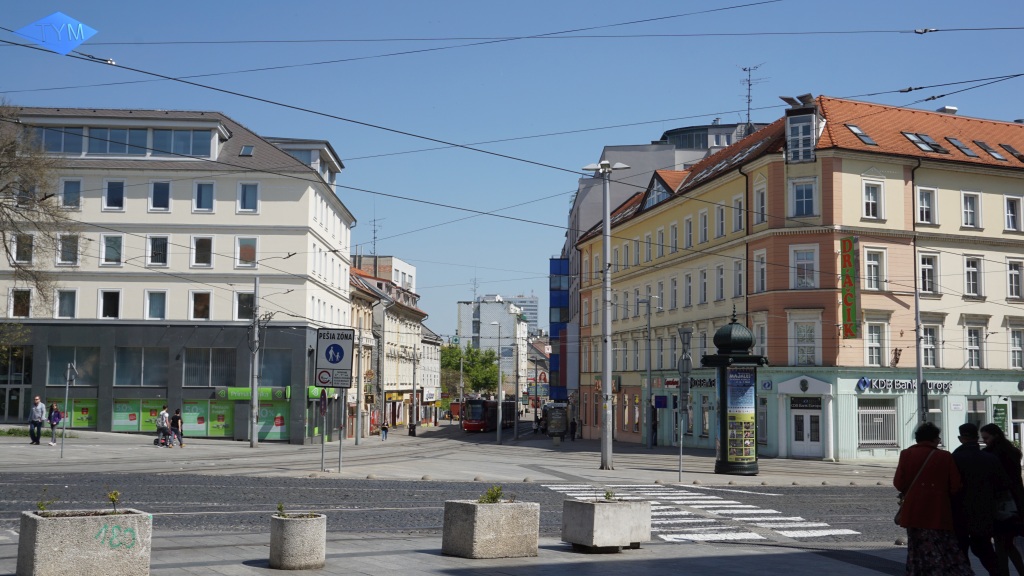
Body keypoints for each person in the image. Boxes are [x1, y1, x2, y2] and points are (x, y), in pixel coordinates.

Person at [893, 421, 972, 575]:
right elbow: (955, 485)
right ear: (934, 439)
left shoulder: (906, 454)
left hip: (913, 511)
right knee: (941, 547)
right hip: (938, 511)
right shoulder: (944, 456)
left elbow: (898, 483)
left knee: (917, 548)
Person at [951, 422, 1005, 574]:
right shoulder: (990, 458)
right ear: (977, 438)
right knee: (984, 548)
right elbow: (1001, 484)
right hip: (984, 511)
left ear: (961, 438)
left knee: (961, 549)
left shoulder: (955, 457)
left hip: (959, 511)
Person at [981, 422, 1024, 575]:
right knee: (1007, 543)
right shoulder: (1013, 451)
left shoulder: (991, 455)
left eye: (986, 438)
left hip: (999, 503)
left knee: (1001, 543)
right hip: (1015, 502)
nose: (984, 441)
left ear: (995, 435)